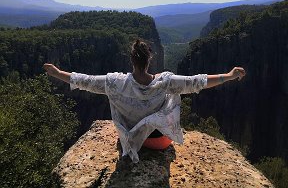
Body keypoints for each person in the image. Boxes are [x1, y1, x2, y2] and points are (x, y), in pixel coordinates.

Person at [43, 39, 245, 163]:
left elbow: (85, 81)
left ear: (132, 60)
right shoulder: (165, 82)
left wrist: (58, 73)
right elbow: (197, 82)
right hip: (159, 142)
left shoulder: (115, 83)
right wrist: (228, 75)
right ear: (149, 60)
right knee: (175, 95)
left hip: (129, 139)